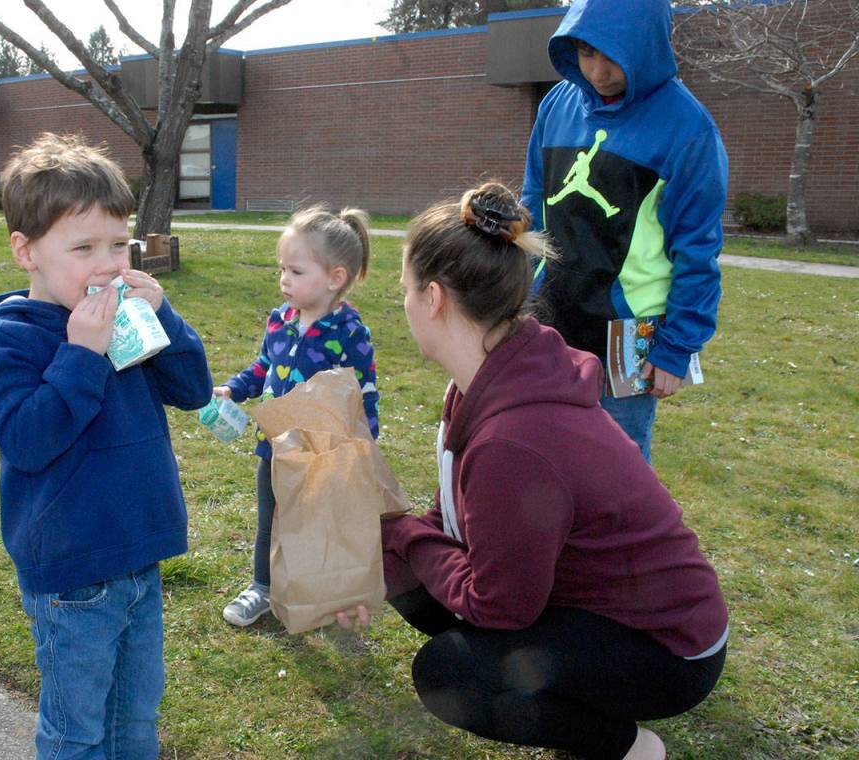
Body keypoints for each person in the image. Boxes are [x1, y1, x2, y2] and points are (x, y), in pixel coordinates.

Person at [340, 182, 728, 760]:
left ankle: (629, 746)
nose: (403, 302)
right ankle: (560, 684)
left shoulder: (515, 439)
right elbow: (455, 521)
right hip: (590, 604)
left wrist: (399, 532)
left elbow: (502, 605)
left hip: (668, 649)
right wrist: (385, 545)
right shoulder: (496, 373)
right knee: (401, 555)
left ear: (436, 298)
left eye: (404, 290)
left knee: (452, 676)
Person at [0, 132, 212, 759]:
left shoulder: (126, 316)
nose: (110, 264)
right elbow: (28, 441)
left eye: (121, 245)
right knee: (76, 731)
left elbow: (192, 390)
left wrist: (164, 318)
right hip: (71, 574)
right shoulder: (8, 342)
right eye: (84, 246)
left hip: (139, 554)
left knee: (135, 722)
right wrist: (80, 356)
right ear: (26, 251)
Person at [520, 0, 728, 463]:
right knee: (542, 447)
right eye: (586, 52)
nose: (597, 71)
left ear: (647, 44)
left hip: (631, 335)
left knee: (618, 465)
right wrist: (509, 288)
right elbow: (533, 201)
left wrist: (676, 350)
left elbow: (697, 250)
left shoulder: (689, 129)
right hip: (548, 315)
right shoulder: (557, 105)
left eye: (614, 53)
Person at [215, 205, 379, 627]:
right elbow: (262, 368)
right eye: (281, 269)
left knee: (315, 522)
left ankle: (320, 592)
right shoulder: (279, 321)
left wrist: (365, 445)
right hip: (274, 445)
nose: (284, 280)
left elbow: (363, 393)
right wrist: (234, 388)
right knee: (270, 518)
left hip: (321, 453)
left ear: (334, 278)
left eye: (296, 271)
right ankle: (263, 588)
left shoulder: (348, 334)